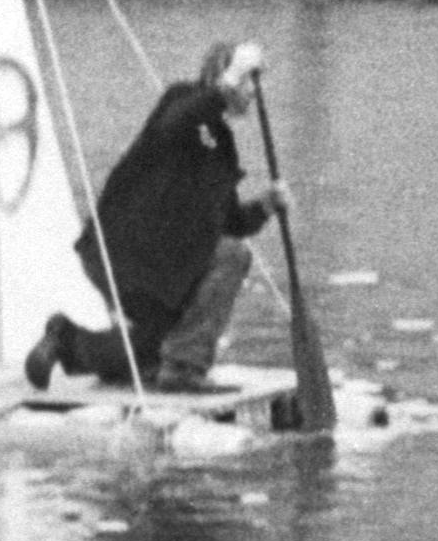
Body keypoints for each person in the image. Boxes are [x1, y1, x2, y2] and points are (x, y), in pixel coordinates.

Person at [27, 40, 276, 393]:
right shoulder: (180, 101)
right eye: (248, 80)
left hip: (157, 270)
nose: (254, 92)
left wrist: (265, 206)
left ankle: (65, 340)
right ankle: (185, 369)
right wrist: (229, 81)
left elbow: (230, 221)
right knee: (234, 256)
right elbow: (175, 123)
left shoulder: (221, 143)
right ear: (222, 76)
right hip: (127, 255)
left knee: (146, 355)